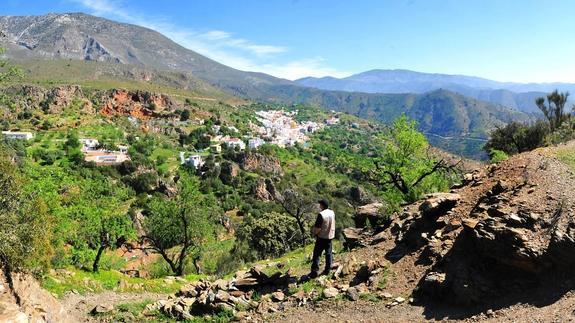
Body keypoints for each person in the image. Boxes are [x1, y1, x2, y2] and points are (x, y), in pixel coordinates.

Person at [309, 199, 335, 278]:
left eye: (320, 204)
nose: (319, 206)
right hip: (329, 236)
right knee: (328, 253)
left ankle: (314, 272)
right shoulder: (332, 212)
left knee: (317, 254)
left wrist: (314, 234)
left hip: (322, 237)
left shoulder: (321, 214)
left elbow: (318, 228)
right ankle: (328, 269)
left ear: (322, 205)